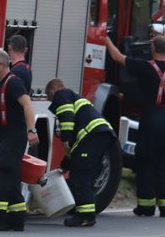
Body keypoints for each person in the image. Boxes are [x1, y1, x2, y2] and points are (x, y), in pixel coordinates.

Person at [103, 31, 165, 217]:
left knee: (146, 163)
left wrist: (104, 38)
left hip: (151, 119)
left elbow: (117, 57)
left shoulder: (143, 67)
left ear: (152, 48)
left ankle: (146, 206)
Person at [0, 48, 39, 231]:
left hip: (13, 137)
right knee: (11, 177)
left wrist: (32, 131)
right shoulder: (1, 84)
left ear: (2, 64)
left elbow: (27, 104)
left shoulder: (13, 83)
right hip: (5, 137)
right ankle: (16, 218)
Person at [45, 78, 116, 227]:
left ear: (54, 88)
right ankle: (86, 214)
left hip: (94, 136)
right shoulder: (74, 97)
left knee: (80, 175)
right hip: (99, 136)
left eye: (49, 95)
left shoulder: (62, 93)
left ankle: (85, 216)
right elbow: (76, 151)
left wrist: (65, 139)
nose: (51, 100)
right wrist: (64, 166)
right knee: (82, 169)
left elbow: (67, 116)